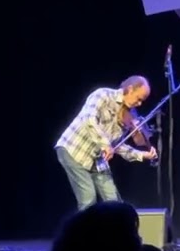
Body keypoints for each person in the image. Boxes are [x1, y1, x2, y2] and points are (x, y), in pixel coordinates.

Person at [55, 75, 158, 211]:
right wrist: (105, 145)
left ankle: (116, 231)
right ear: (130, 89)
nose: (139, 104)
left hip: (97, 160)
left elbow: (118, 145)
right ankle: (82, 232)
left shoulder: (127, 115)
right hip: (73, 149)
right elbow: (89, 120)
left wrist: (142, 154)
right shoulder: (102, 94)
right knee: (88, 199)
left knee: (114, 201)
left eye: (142, 101)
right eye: (139, 99)